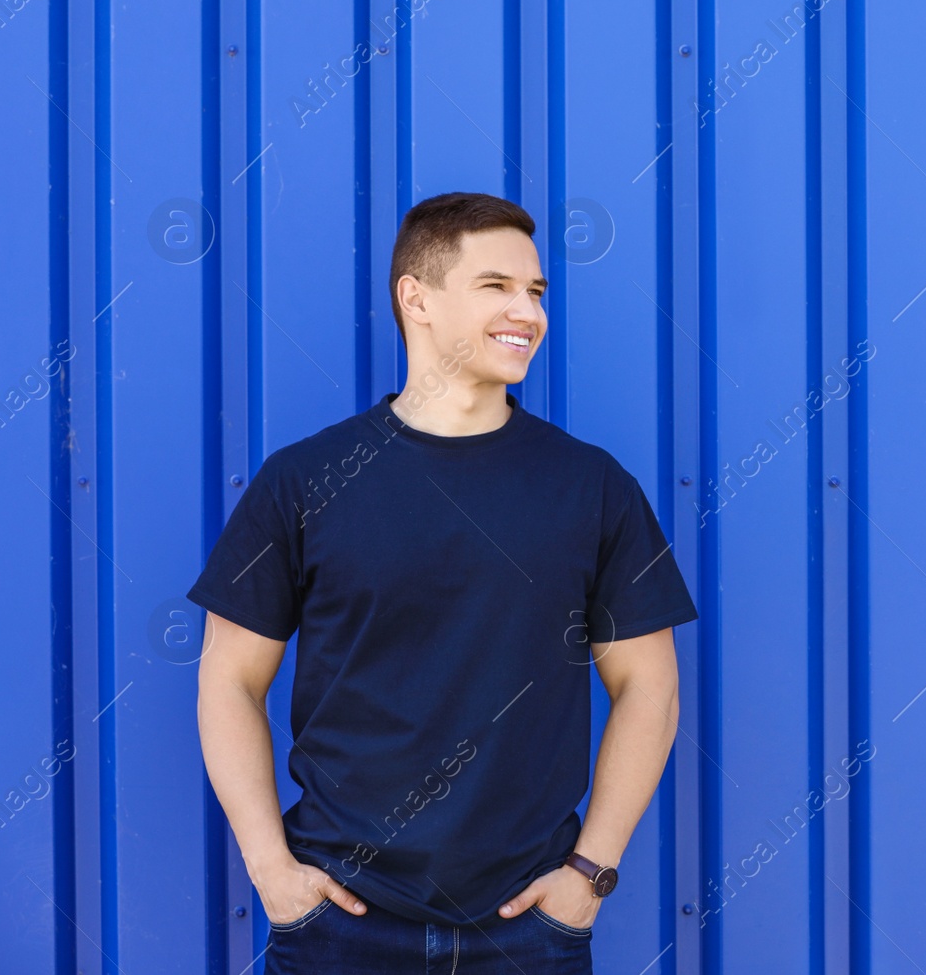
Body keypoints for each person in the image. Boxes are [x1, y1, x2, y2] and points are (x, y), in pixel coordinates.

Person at [190, 191, 698, 973]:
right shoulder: (305, 480)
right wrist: (271, 869)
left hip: (527, 929)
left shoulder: (592, 486)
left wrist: (589, 875)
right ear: (415, 297)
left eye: (535, 292)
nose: (526, 312)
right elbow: (228, 679)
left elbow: (650, 688)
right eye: (496, 286)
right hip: (337, 926)